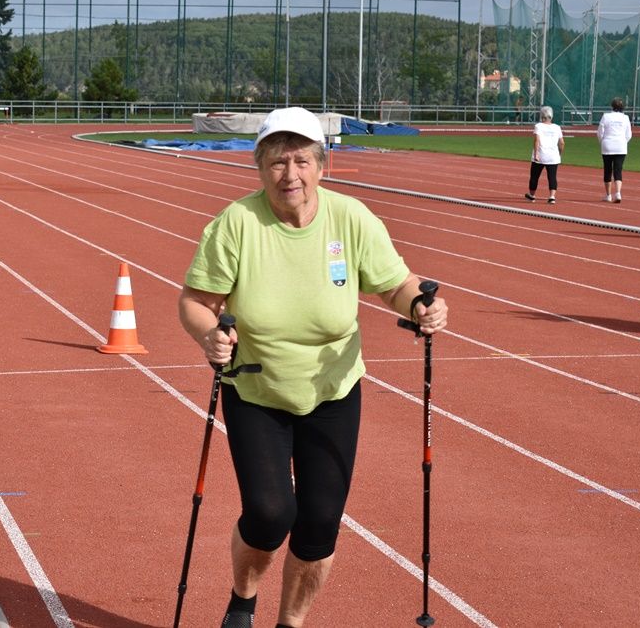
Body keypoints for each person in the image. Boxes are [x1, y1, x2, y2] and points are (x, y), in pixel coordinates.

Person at [178, 106, 448, 628]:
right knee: (270, 513)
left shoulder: (351, 218)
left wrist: (423, 306)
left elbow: (395, 284)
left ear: (323, 166)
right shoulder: (237, 224)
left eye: (302, 160)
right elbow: (196, 301)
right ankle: (242, 599)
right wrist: (209, 334)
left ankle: (290, 624)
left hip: (333, 392)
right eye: (278, 162)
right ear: (259, 167)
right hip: (257, 389)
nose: (290, 175)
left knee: (320, 523)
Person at [597, 97, 632, 203]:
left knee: (607, 170)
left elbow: (600, 132)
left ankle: (608, 195)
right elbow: (629, 134)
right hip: (621, 146)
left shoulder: (606, 116)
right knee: (618, 170)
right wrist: (623, 141)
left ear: (612, 106)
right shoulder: (625, 118)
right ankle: (618, 193)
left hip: (607, 145)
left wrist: (603, 141)